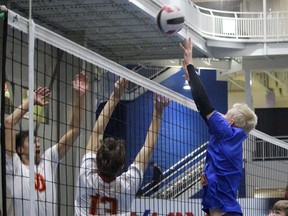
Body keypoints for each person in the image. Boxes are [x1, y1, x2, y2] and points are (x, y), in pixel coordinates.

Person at [181, 38, 258, 216]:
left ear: (229, 122)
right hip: (224, 210)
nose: (221, 115)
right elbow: (203, 109)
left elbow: (204, 103)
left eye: (226, 113)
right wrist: (192, 81)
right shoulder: (232, 137)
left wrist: (191, 66)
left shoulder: (226, 133)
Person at [74, 78, 169, 215]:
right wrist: (158, 112)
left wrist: (116, 95)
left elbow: (98, 131)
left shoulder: (86, 175)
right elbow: (148, 147)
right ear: (120, 166)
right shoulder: (127, 185)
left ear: (97, 160)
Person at [4, 72, 88, 216]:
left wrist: (80, 97)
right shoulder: (14, 167)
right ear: (19, 148)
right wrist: (30, 102)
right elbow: (8, 123)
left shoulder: (47, 160)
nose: (38, 144)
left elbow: (75, 131)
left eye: (38, 141)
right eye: (31, 141)